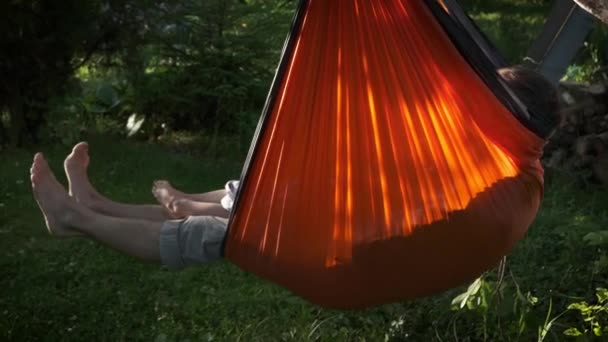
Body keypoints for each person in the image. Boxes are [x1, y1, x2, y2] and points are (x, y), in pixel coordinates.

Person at [30, 65, 562, 270]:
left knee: (214, 232)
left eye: (484, 93)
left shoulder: (495, 172)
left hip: (341, 244)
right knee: (259, 196)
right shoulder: (494, 158)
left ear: (507, 115)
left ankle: (78, 218)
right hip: (333, 216)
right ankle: (96, 204)